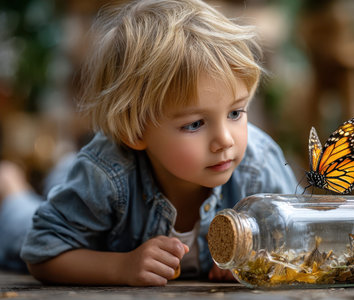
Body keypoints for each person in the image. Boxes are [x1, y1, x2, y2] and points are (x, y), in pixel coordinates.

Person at [3, 0, 298, 286]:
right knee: (21, 228)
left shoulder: (259, 166)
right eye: (195, 124)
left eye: (235, 112)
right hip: (84, 190)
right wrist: (121, 267)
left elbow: (297, 240)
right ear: (136, 131)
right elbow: (42, 250)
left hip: (78, 176)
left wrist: (258, 263)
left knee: (64, 177)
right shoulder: (106, 173)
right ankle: (11, 188)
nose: (225, 139)